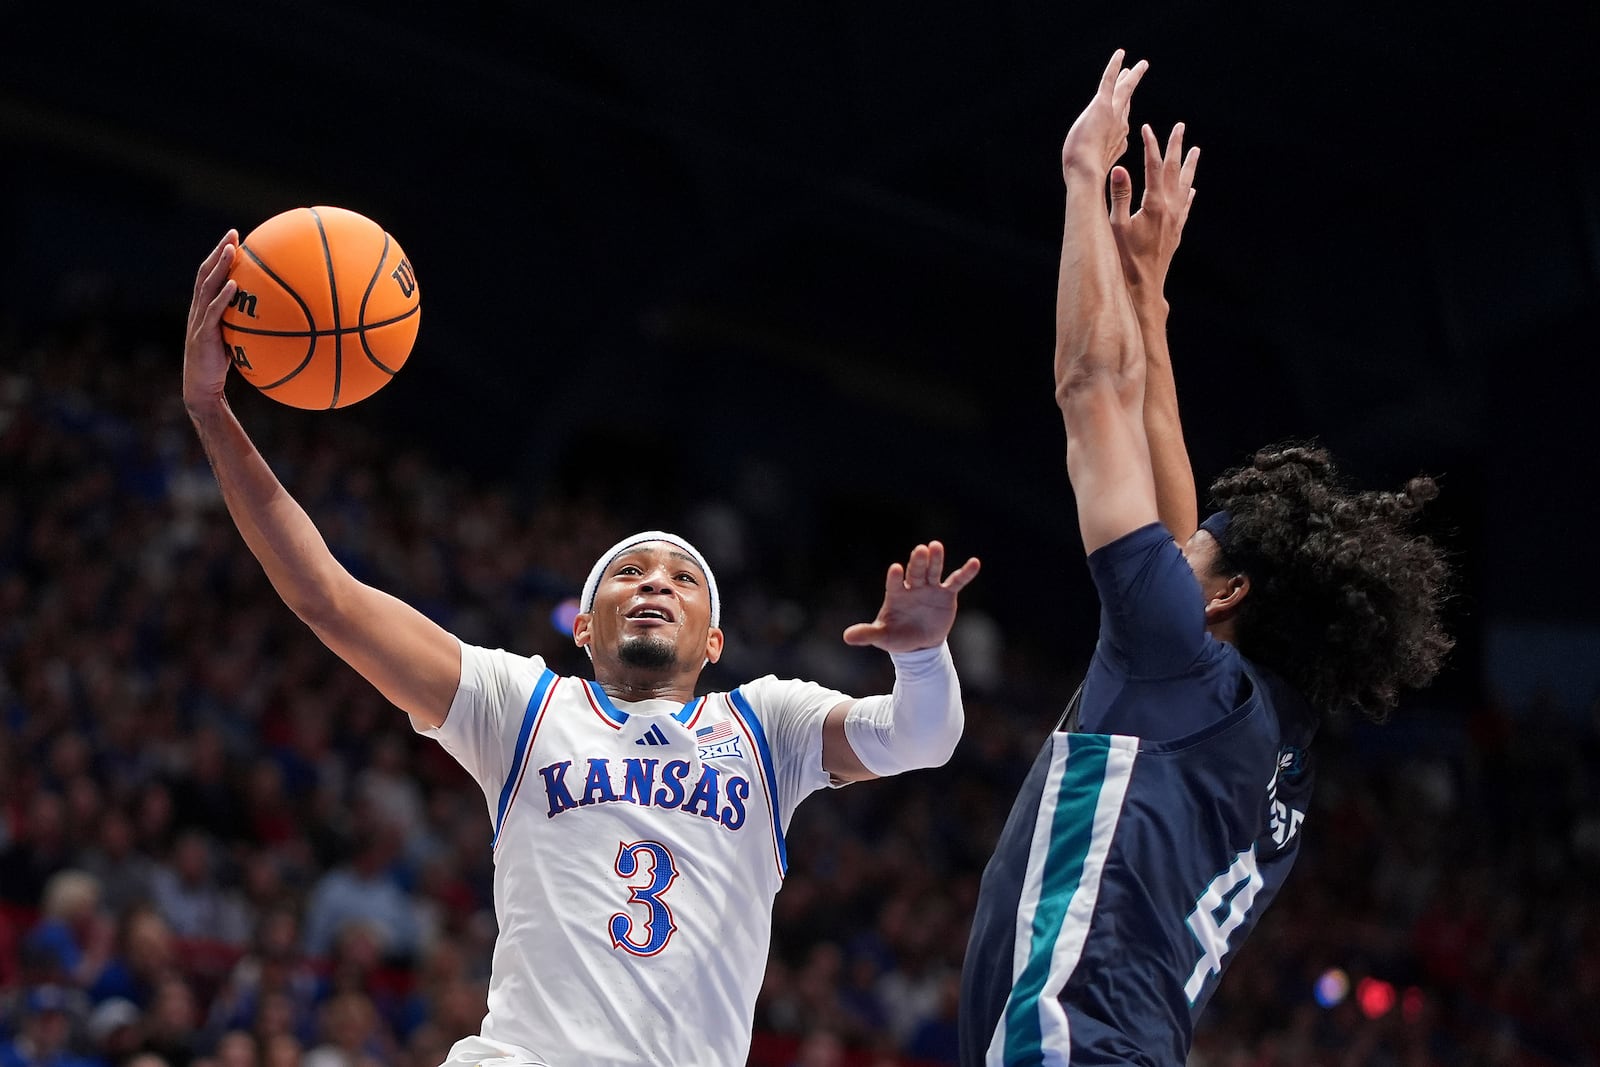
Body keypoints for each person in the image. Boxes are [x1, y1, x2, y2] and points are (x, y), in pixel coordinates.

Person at [182, 234, 981, 1067]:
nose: (654, 583)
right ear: (586, 628)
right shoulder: (522, 705)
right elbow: (330, 599)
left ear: (713, 640)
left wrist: (923, 657)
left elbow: (922, 739)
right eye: (628, 571)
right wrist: (212, 410)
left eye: (683, 576)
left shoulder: (768, 726)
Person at [958, 52, 1452, 1066]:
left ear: (1225, 595)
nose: (1171, 537)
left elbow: (1092, 392)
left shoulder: (1178, 666)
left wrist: (1081, 181)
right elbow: (1180, 494)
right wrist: (1147, 293)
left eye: (1195, 550)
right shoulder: (1271, 741)